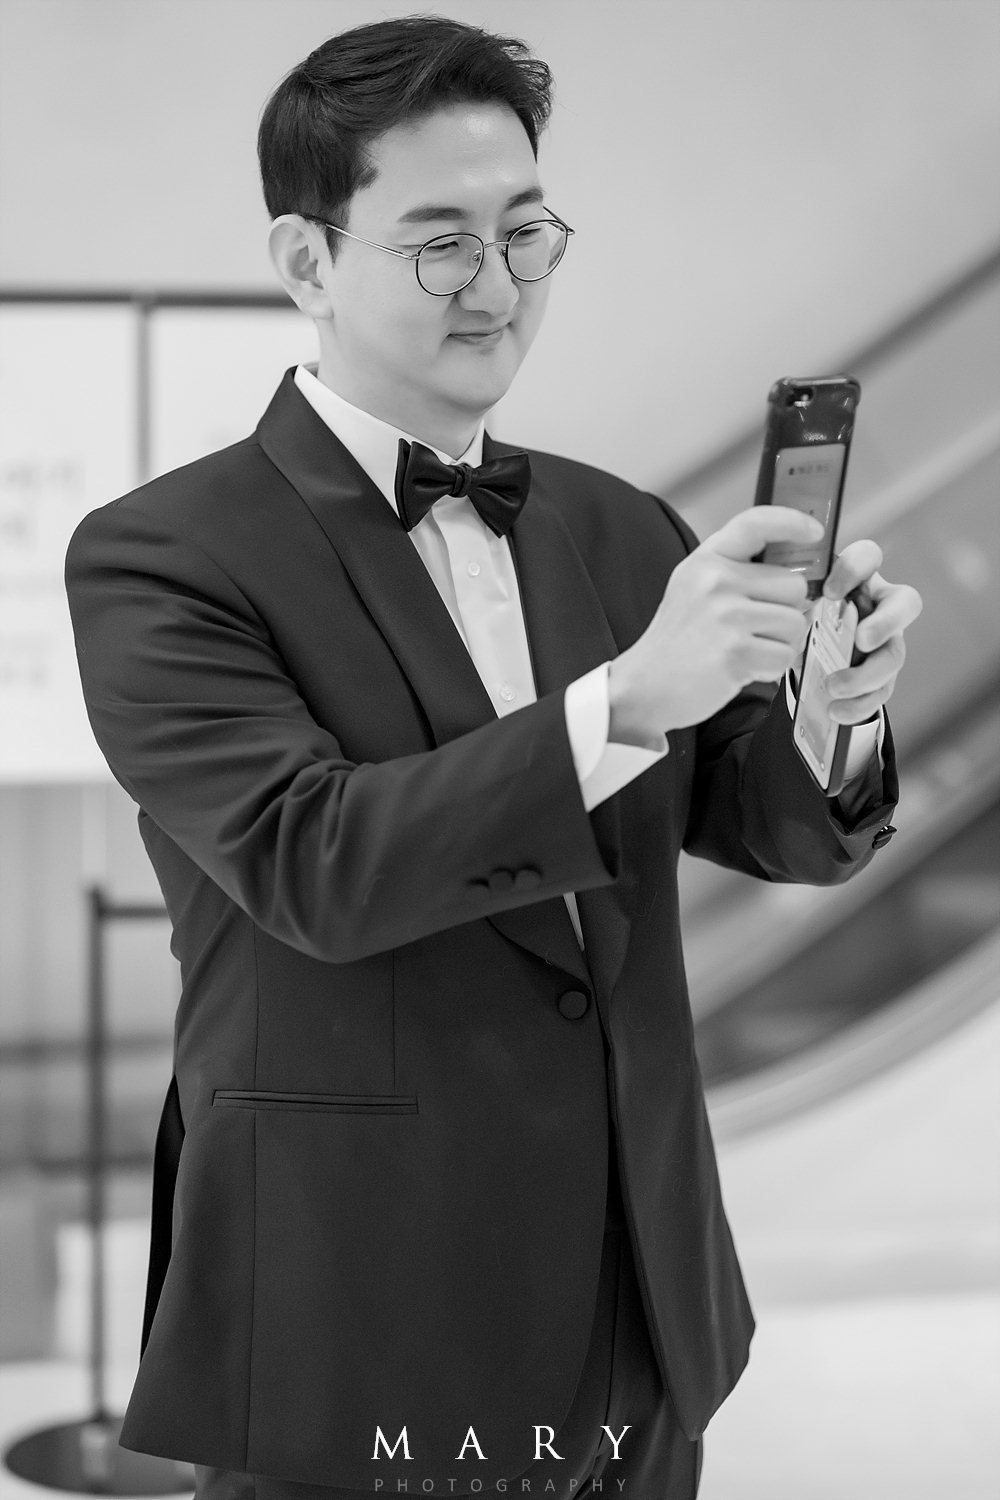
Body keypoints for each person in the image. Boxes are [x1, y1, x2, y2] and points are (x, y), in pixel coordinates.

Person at [64, 16, 922, 1500]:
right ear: (307, 261)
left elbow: (770, 825)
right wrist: (629, 699)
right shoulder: (163, 554)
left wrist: (838, 711)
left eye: (526, 234)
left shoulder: (617, 523)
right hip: (364, 1309)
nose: (499, 285)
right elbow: (316, 862)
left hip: (646, 1302)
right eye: (441, 243)